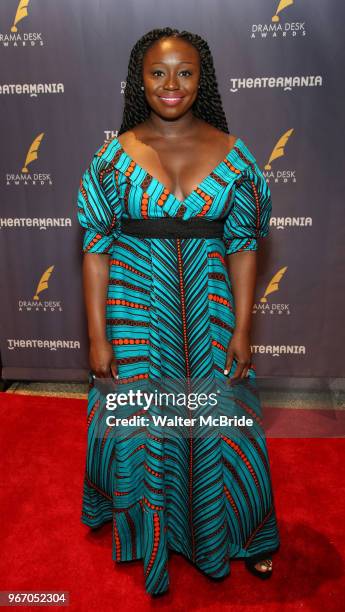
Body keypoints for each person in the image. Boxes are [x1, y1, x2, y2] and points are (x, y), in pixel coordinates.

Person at [77, 27, 280, 596]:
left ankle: (243, 534)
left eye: (185, 73)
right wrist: (98, 337)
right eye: (158, 72)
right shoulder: (111, 159)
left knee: (224, 423)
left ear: (203, 79)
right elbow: (95, 250)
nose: (171, 85)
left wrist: (243, 328)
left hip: (211, 310)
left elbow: (243, 245)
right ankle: (148, 531)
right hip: (134, 308)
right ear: (139, 79)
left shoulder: (236, 154)